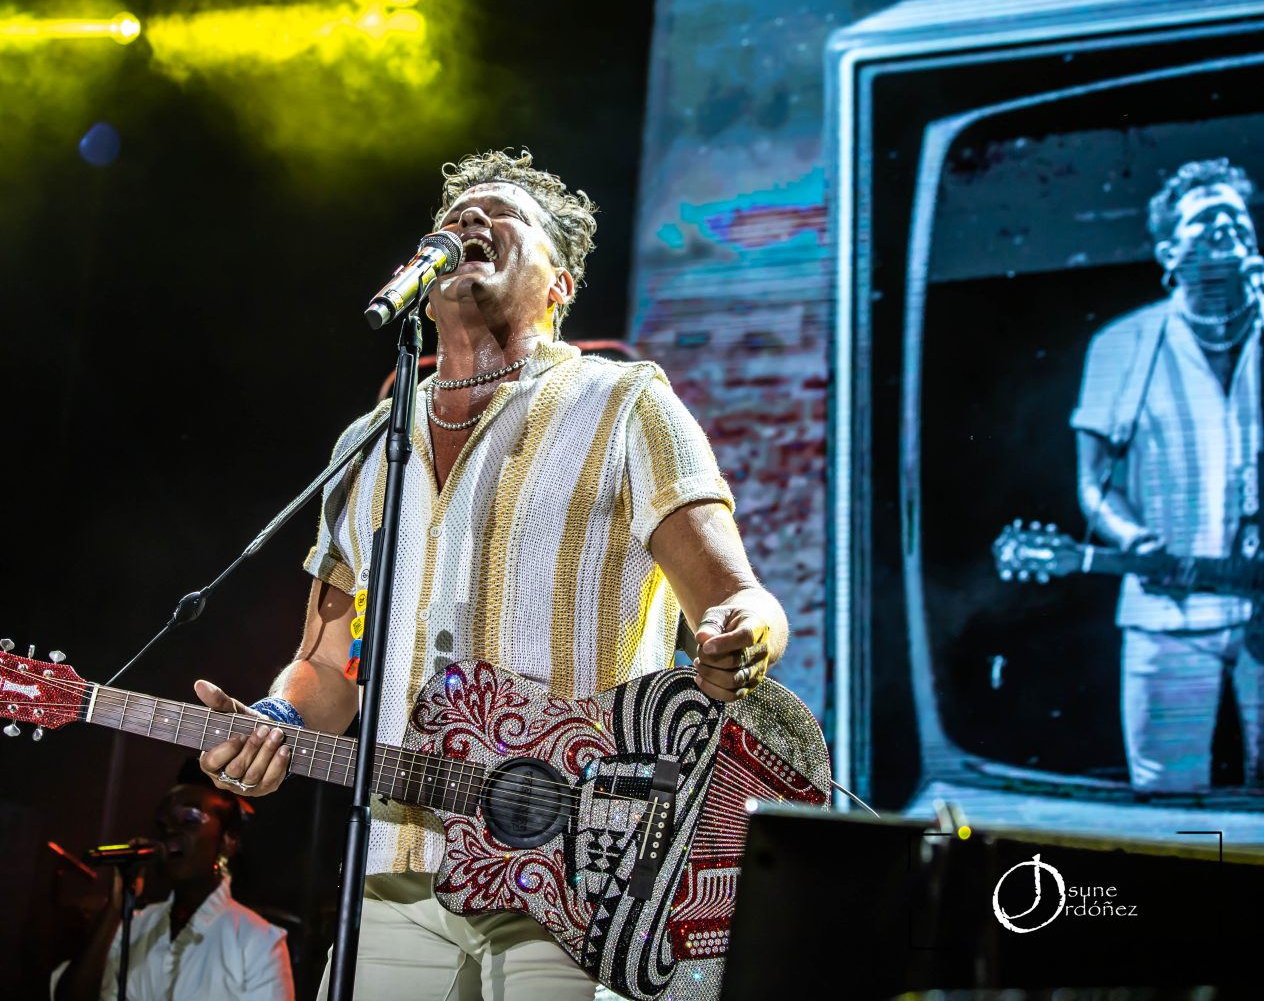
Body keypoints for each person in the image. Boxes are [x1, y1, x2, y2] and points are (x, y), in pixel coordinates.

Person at [190, 149, 790, 999]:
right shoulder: (367, 445)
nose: (469, 222)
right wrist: (274, 717)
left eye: (501, 215)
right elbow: (327, 667)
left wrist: (743, 636)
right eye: (455, 215)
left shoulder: (625, 404)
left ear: (561, 284)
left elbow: (738, 596)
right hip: (395, 869)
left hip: (580, 873)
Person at [1072, 157, 1264, 792]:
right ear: (1168, 250)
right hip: (1168, 616)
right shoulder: (1121, 346)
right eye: (1204, 220)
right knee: (1169, 801)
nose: (1224, 228)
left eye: (1235, 218)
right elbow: (1095, 485)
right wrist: (1136, 542)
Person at [51, 770, 293, 1001]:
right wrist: (115, 908)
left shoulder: (259, 940)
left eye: (189, 820)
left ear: (228, 842)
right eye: (162, 824)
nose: (171, 832)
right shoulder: (134, 926)